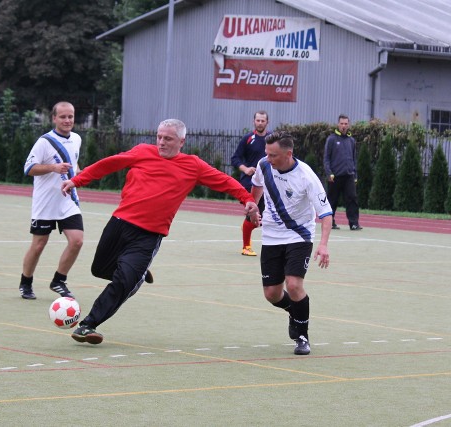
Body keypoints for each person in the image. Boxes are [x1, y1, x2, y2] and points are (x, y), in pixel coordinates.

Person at [61, 119, 259, 345]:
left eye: (168, 139)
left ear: (181, 142)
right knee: (99, 269)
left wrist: (248, 200)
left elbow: (225, 181)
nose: (161, 142)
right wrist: (77, 180)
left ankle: (88, 325)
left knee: (123, 282)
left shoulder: (193, 165)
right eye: (159, 137)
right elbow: (109, 164)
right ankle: (139, 274)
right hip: (119, 224)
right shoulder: (142, 152)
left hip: (148, 235)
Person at [251, 132, 333, 355]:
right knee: (272, 294)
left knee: (294, 285)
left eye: (273, 155)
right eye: (267, 153)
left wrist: (323, 245)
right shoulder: (263, 164)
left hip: (300, 235)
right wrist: (252, 206)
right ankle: (293, 311)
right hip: (271, 236)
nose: (268, 158)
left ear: (289, 154)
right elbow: (257, 185)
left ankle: (302, 336)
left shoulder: (306, 176)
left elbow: (326, 214)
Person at [19, 101, 83, 300]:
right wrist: (53, 168)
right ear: (54, 118)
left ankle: (59, 280)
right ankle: (25, 282)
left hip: (68, 201)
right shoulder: (44, 142)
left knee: (77, 241)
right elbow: (28, 168)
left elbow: (73, 163)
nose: (67, 120)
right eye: (62, 117)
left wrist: (78, 174)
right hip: (45, 203)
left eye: (70, 116)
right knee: (39, 244)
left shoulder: (77, 139)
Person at [230, 110, 270, 256]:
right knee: (254, 214)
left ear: (267, 122)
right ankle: (246, 247)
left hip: (268, 184)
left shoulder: (271, 139)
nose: (260, 123)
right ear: (254, 122)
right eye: (257, 120)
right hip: (250, 184)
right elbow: (235, 159)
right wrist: (245, 169)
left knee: (265, 218)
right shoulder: (248, 138)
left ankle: (246, 226)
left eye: (263, 121)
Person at [323, 114, 363, 230]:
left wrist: (355, 175)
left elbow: (354, 159)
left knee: (352, 198)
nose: (344, 126)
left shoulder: (351, 140)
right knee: (332, 201)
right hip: (334, 176)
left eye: (346, 124)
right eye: (342, 124)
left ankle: (354, 223)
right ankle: (330, 222)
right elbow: (326, 158)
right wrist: (329, 172)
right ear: (338, 124)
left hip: (349, 175)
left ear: (349, 125)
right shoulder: (331, 139)